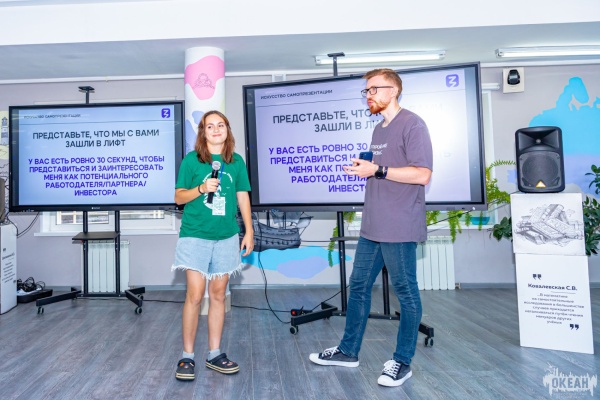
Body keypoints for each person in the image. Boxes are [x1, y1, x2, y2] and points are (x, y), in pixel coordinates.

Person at [309, 68, 433, 387]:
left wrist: (377, 169)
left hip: (399, 225)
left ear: (393, 91)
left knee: (405, 292)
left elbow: (422, 174)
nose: (368, 96)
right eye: (366, 91)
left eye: (374, 89)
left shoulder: (413, 124)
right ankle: (348, 351)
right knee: (359, 286)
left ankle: (402, 361)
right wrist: (368, 169)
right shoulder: (379, 129)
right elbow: (381, 171)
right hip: (374, 224)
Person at [172, 110, 254, 381]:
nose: (216, 129)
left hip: (227, 236)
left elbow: (242, 196)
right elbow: (178, 197)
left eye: (221, 125)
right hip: (195, 235)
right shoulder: (191, 160)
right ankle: (187, 356)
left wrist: (249, 231)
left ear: (227, 130)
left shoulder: (236, 162)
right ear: (203, 132)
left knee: (218, 295)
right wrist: (201, 188)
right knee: (195, 295)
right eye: (210, 126)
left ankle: (214, 354)